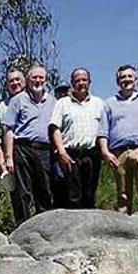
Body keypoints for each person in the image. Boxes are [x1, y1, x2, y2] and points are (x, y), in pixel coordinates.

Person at [97, 64, 138, 215]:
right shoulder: (110, 103)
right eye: (122, 77)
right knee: (123, 194)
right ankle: (123, 230)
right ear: (117, 81)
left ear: (135, 79)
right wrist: (105, 152)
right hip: (119, 153)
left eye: (129, 76)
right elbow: (102, 131)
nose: (126, 80)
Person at [3, 64, 57, 224]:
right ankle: (22, 228)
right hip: (22, 149)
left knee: (45, 190)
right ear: (27, 80)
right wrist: (9, 157)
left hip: (45, 151)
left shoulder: (53, 101)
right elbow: (9, 129)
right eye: (34, 77)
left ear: (46, 80)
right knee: (22, 192)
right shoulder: (17, 100)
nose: (38, 80)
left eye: (41, 77)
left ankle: (45, 227)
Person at [49, 67, 105, 209]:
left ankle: (89, 230)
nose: (81, 83)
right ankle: (73, 229)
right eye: (77, 80)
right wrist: (61, 151)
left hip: (92, 154)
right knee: (73, 195)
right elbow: (55, 128)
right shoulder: (62, 103)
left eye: (84, 80)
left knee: (90, 193)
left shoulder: (99, 104)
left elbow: (104, 130)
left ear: (89, 82)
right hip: (71, 154)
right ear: (72, 83)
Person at [0, 69, 25, 169]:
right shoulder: (2, 107)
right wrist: (1, 158)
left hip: (28, 154)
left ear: (24, 82)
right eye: (11, 81)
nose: (15, 83)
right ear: (7, 85)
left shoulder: (34, 102)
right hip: (9, 158)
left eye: (18, 79)